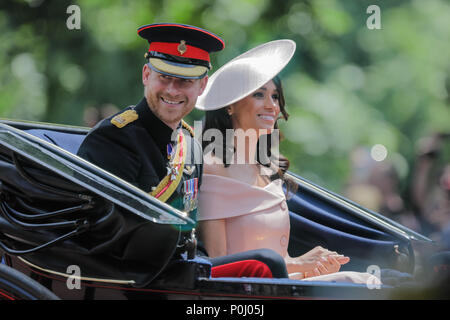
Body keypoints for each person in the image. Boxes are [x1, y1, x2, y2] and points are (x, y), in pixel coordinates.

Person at [77, 23, 288, 278]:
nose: (172, 90)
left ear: (201, 87)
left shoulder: (190, 145)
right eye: (164, 77)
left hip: (176, 273)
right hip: (133, 279)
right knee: (265, 263)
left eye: (185, 81)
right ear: (146, 75)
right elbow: (106, 237)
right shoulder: (114, 138)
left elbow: (189, 236)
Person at [195, 40, 381, 284]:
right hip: (244, 294)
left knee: (376, 279)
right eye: (259, 94)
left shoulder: (270, 168)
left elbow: (281, 259)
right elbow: (219, 265)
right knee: (361, 283)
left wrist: (312, 268)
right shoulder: (212, 168)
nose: (272, 105)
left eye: (275, 96)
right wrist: (300, 264)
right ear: (230, 105)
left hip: (280, 285)